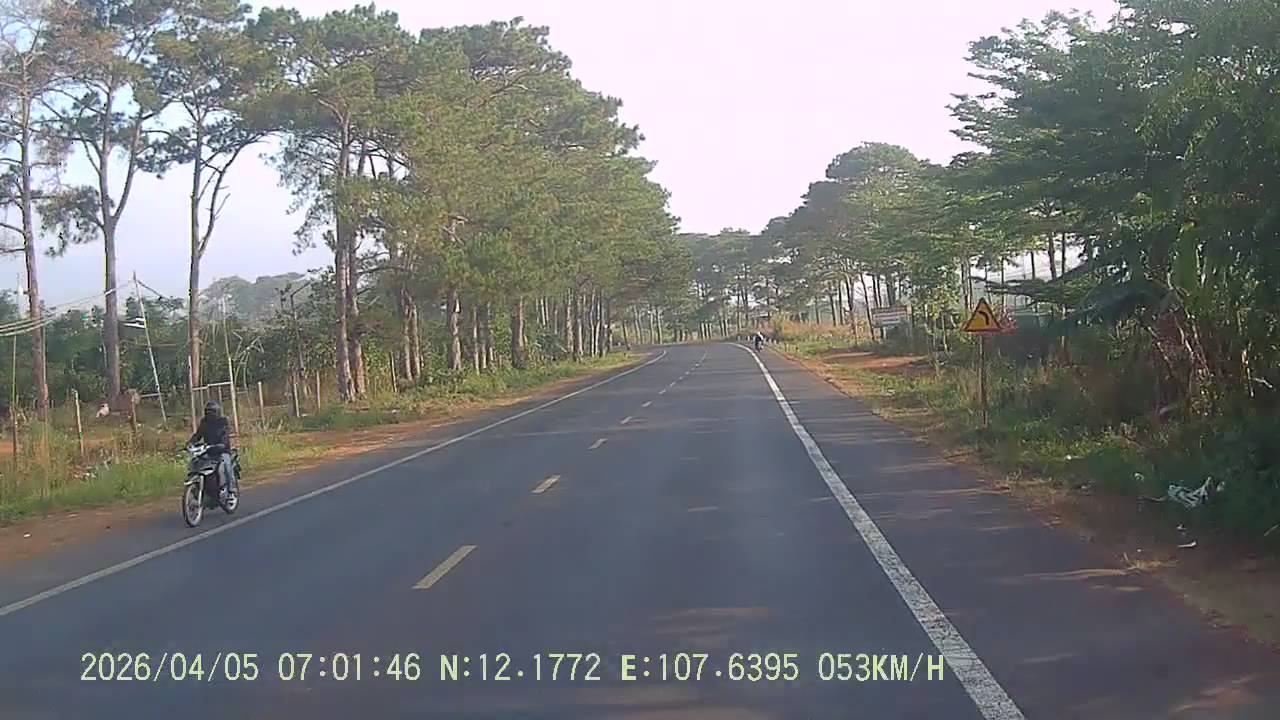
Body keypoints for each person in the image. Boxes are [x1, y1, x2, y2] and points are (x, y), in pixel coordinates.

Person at [189, 400, 236, 498]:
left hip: (222, 451)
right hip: (208, 451)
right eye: (207, 411)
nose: (209, 413)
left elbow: (225, 435)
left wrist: (222, 444)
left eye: (212, 411)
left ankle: (231, 491)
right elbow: (198, 435)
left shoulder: (223, 422)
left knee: (226, 466)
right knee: (196, 463)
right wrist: (190, 443)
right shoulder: (204, 422)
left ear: (217, 412)